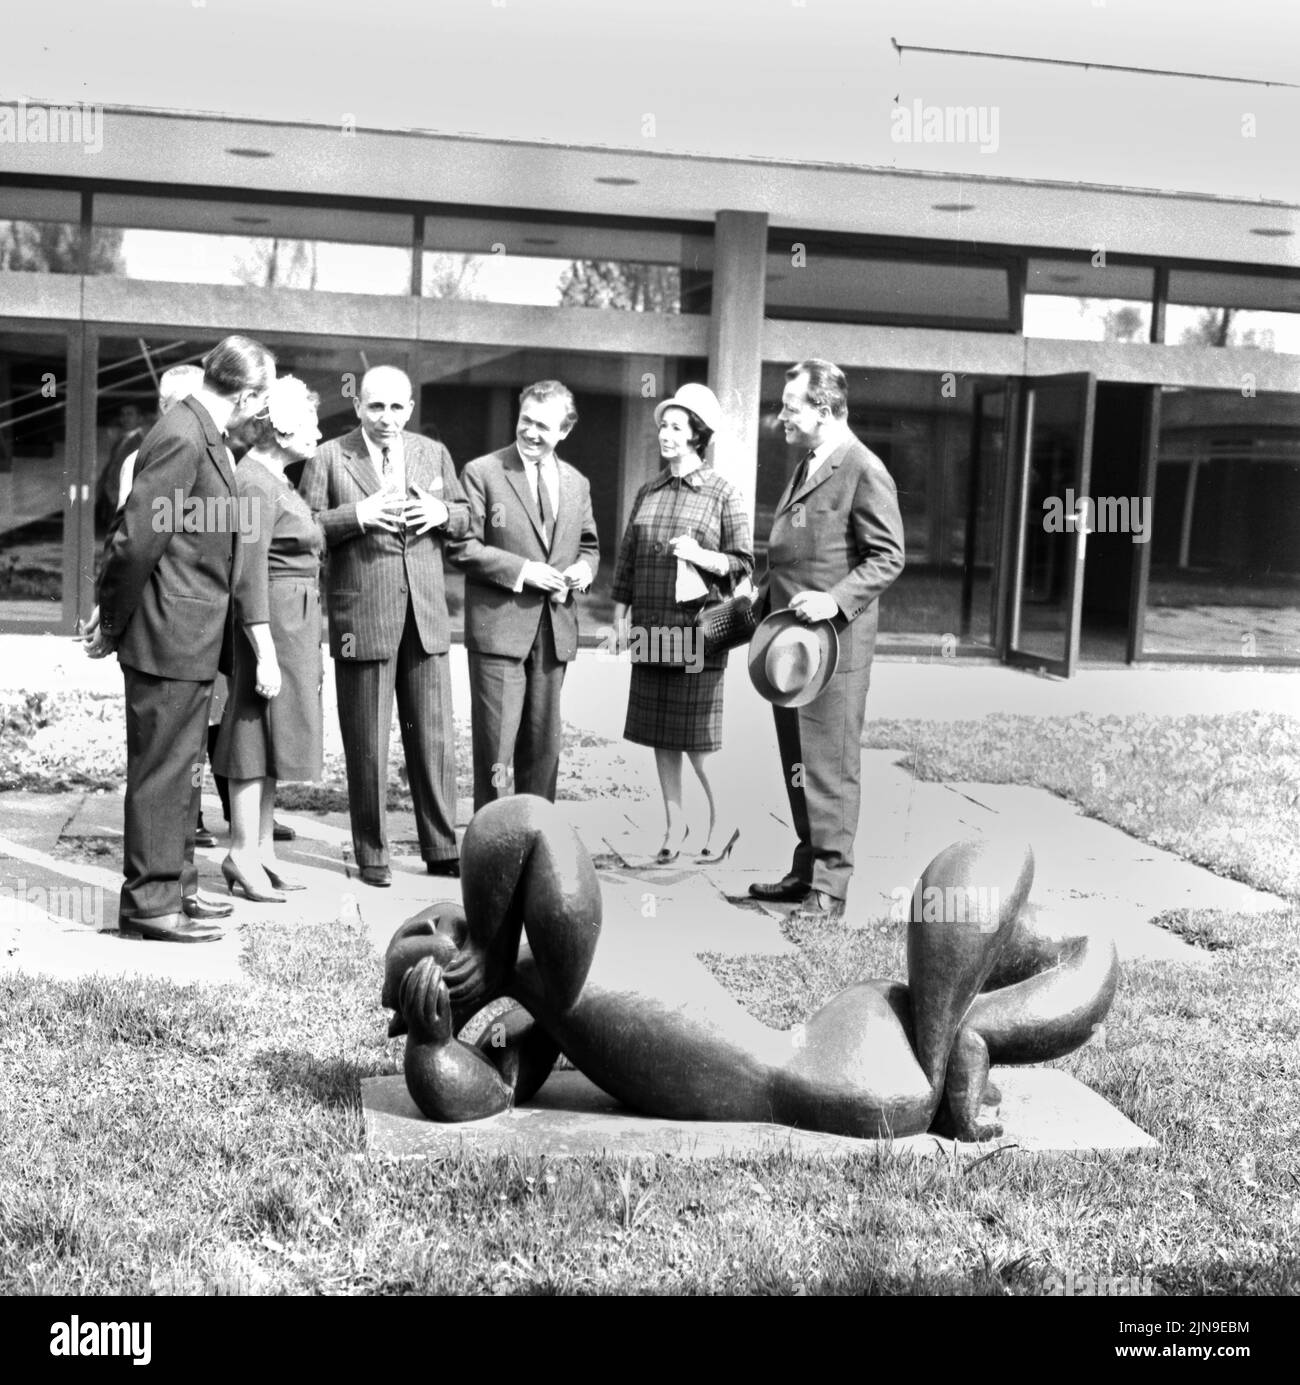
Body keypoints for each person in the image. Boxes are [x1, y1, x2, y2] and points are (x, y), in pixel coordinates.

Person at [84, 334, 276, 942]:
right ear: (245, 395)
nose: (264, 410)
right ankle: (149, 906)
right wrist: (109, 619)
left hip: (186, 637)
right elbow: (136, 539)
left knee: (182, 773)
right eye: (263, 397)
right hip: (167, 636)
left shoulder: (202, 432)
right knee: (162, 775)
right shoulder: (184, 433)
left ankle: (177, 889)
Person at [299, 365, 469, 888]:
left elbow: (466, 520)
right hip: (364, 619)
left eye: (397, 407)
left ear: (411, 408)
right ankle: (372, 853)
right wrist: (358, 516)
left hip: (425, 618)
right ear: (357, 406)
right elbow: (301, 530)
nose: (387, 419)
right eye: (376, 407)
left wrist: (443, 513)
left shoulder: (432, 453)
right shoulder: (329, 456)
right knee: (367, 743)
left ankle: (442, 847)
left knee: (434, 739)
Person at [748, 359, 905, 923]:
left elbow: (888, 556)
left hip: (833, 649)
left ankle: (830, 891)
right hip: (791, 650)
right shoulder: (810, 462)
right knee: (799, 759)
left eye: (791, 406)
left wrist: (835, 600)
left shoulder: (864, 468)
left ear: (825, 408)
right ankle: (807, 868)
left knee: (829, 764)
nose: (782, 416)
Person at [610, 384, 753, 863]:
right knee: (659, 732)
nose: (665, 434)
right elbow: (627, 557)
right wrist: (617, 614)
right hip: (652, 623)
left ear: (697, 434)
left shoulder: (722, 493)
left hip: (698, 631)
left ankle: (725, 818)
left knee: (696, 737)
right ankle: (676, 827)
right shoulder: (648, 490)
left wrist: (703, 556)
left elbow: (743, 563)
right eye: (663, 426)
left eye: (676, 426)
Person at [450, 381, 599, 811]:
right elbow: (463, 546)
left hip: (554, 632)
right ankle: (492, 847)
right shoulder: (482, 472)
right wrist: (525, 572)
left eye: (543, 427)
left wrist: (583, 571)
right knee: (496, 750)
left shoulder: (577, 483)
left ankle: (536, 841)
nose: (531, 433)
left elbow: (589, 546)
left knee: (543, 748)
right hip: (500, 631)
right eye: (525, 421)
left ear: (565, 431)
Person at [212, 377, 325, 902]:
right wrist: (264, 655)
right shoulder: (255, 481)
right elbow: (248, 575)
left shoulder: (275, 477)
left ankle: (262, 851)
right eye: (311, 422)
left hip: (293, 622)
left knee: (273, 738)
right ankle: (240, 851)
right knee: (252, 736)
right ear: (282, 427)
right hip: (271, 624)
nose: (319, 433)